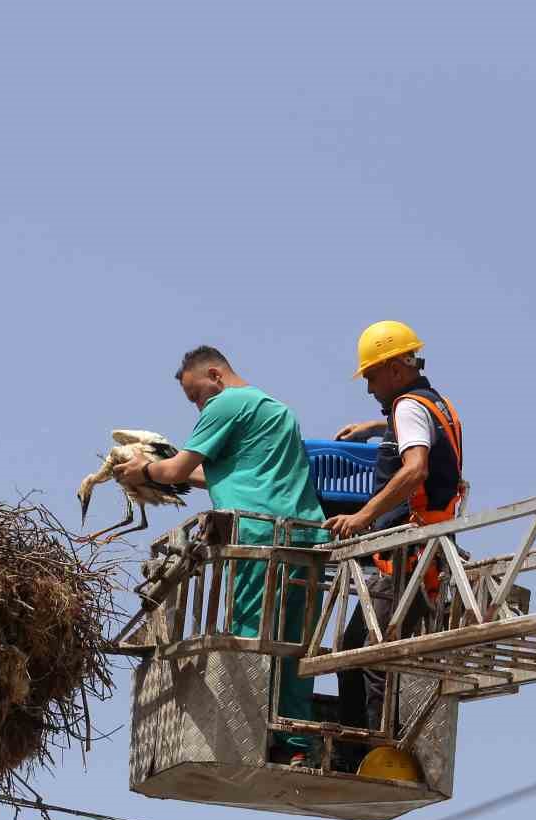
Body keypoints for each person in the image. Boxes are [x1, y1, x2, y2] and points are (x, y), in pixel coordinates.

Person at [116, 345, 329, 766]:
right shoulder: (275, 410)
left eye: (197, 396)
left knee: (249, 632)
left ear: (214, 375)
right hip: (304, 538)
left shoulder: (225, 403)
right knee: (295, 643)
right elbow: (214, 473)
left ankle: (246, 738)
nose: (199, 407)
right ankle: (297, 747)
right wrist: (168, 473)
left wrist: (143, 471)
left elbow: (177, 470)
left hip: (258, 537)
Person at [323, 320, 465, 746]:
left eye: (370, 376)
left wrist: (363, 515)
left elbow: (416, 468)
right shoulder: (432, 403)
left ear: (394, 370)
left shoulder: (408, 407)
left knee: (368, 654)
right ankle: (366, 743)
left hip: (410, 553)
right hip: (428, 551)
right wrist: (374, 428)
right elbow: (421, 434)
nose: (368, 386)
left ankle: (375, 750)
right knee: (359, 650)